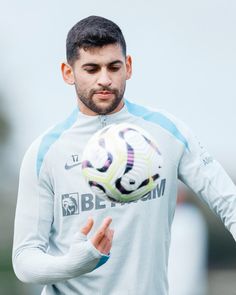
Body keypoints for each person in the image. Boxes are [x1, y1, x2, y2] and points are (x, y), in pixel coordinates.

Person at [12, 15, 236, 295]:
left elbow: (229, 201)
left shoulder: (167, 133)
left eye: (113, 67)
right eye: (91, 69)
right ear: (68, 73)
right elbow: (24, 259)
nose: (104, 79)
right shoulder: (45, 152)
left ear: (128, 67)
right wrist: (76, 263)